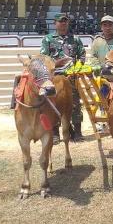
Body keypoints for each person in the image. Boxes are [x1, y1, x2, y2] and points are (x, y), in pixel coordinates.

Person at [40, 13, 86, 144]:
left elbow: (82, 55)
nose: (63, 23)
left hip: (71, 76)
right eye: (60, 21)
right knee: (54, 104)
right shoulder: (48, 39)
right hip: (55, 78)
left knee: (75, 103)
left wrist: (77, 67)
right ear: (55, 23)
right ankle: (55, 133)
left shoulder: (75, 39)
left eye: (65, 21)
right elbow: (44, 58)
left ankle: (77, 132)